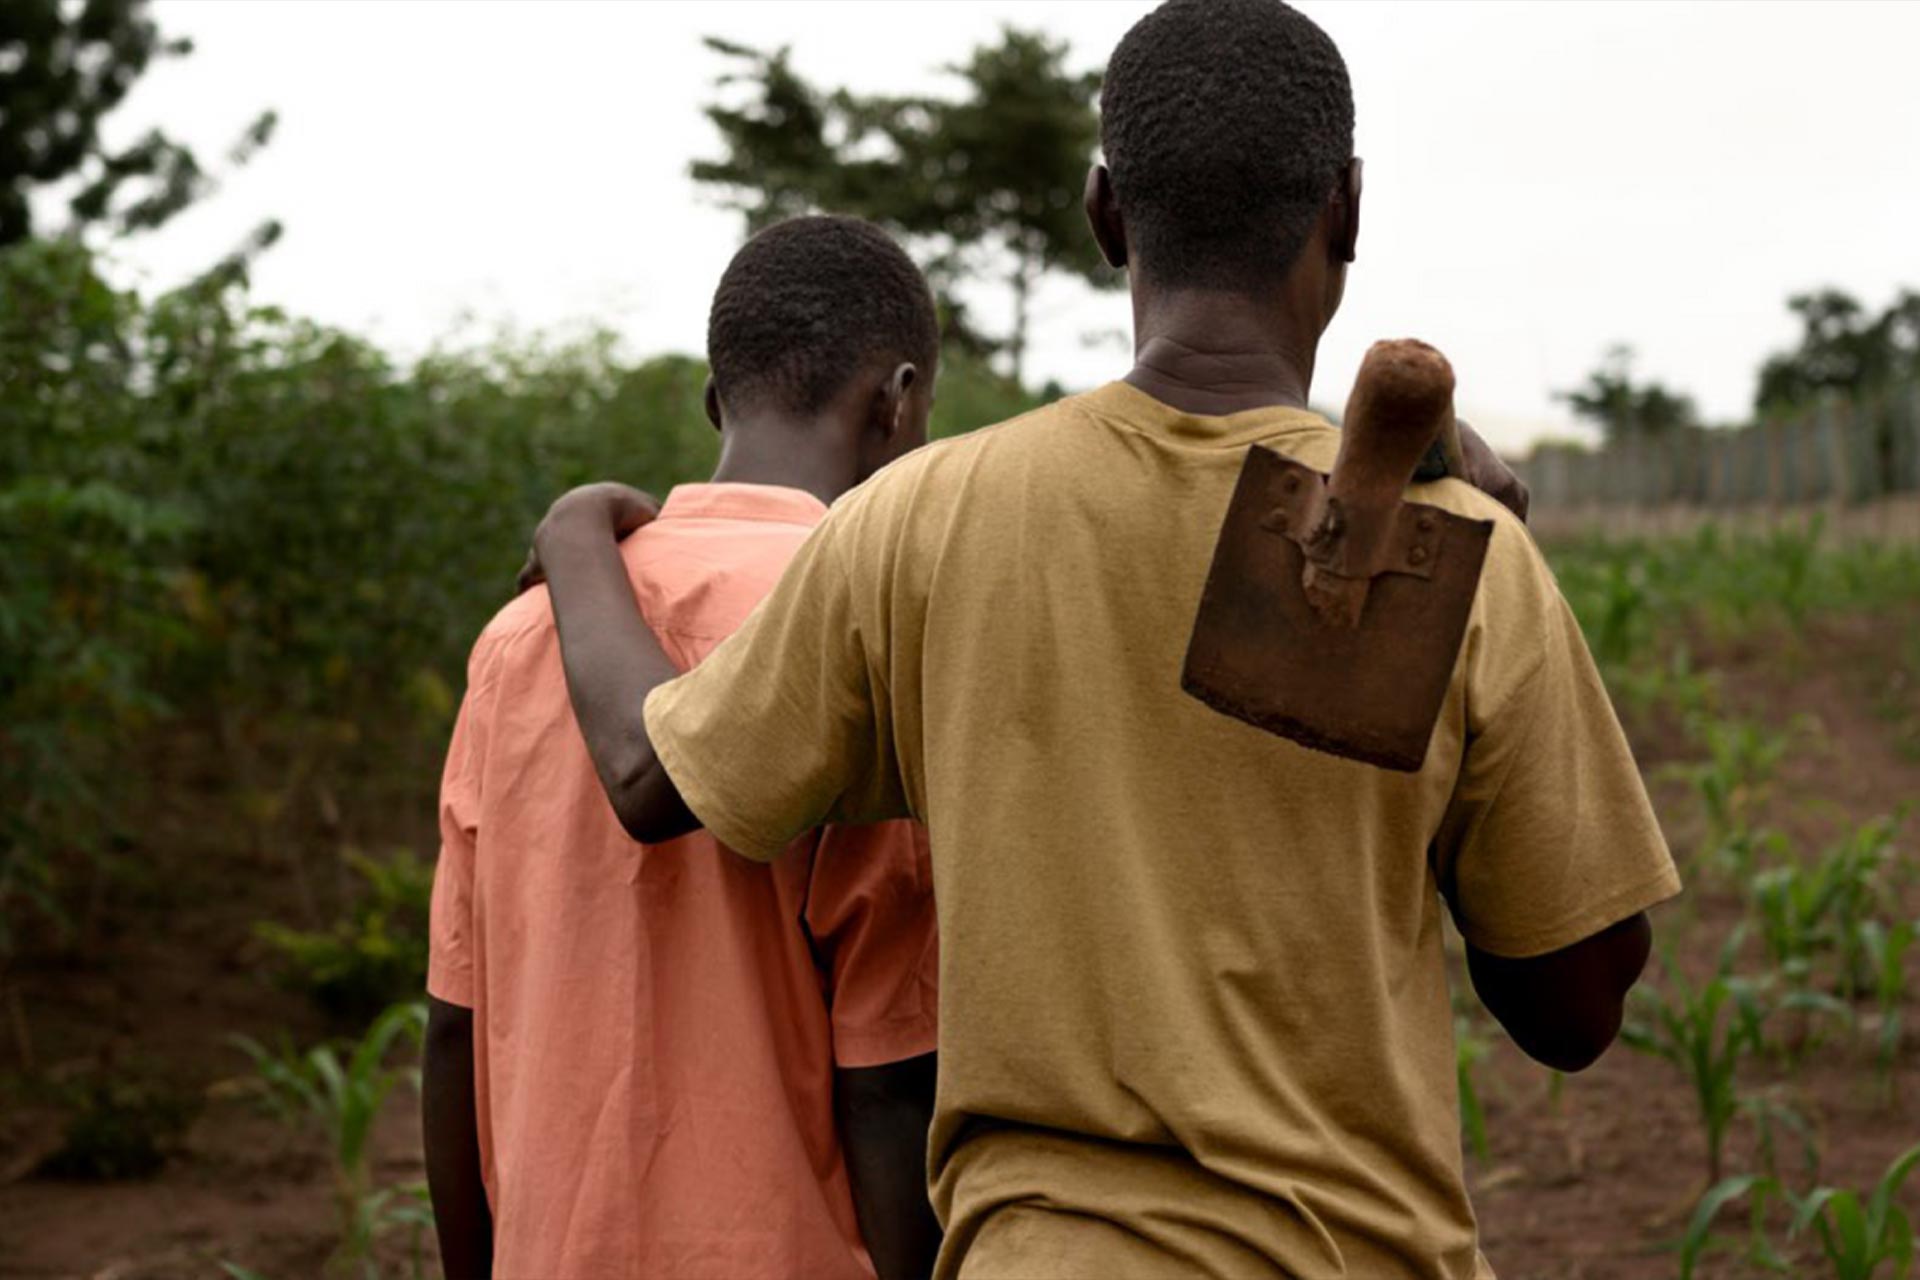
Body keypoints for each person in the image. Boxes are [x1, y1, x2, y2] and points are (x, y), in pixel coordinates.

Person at [526, 1, 1679, 1275]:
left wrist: (581, 535)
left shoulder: (920, 518)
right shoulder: (1454, 555)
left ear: (1104, 212)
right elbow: (1575, 1004)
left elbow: (654, 780)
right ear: (1347, 211)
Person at [422, 215, 945, 1280]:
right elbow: (889, 1074)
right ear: (895, 401)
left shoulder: (524, 635)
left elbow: (453, 1022)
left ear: (718, 401)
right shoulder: (877, 639)